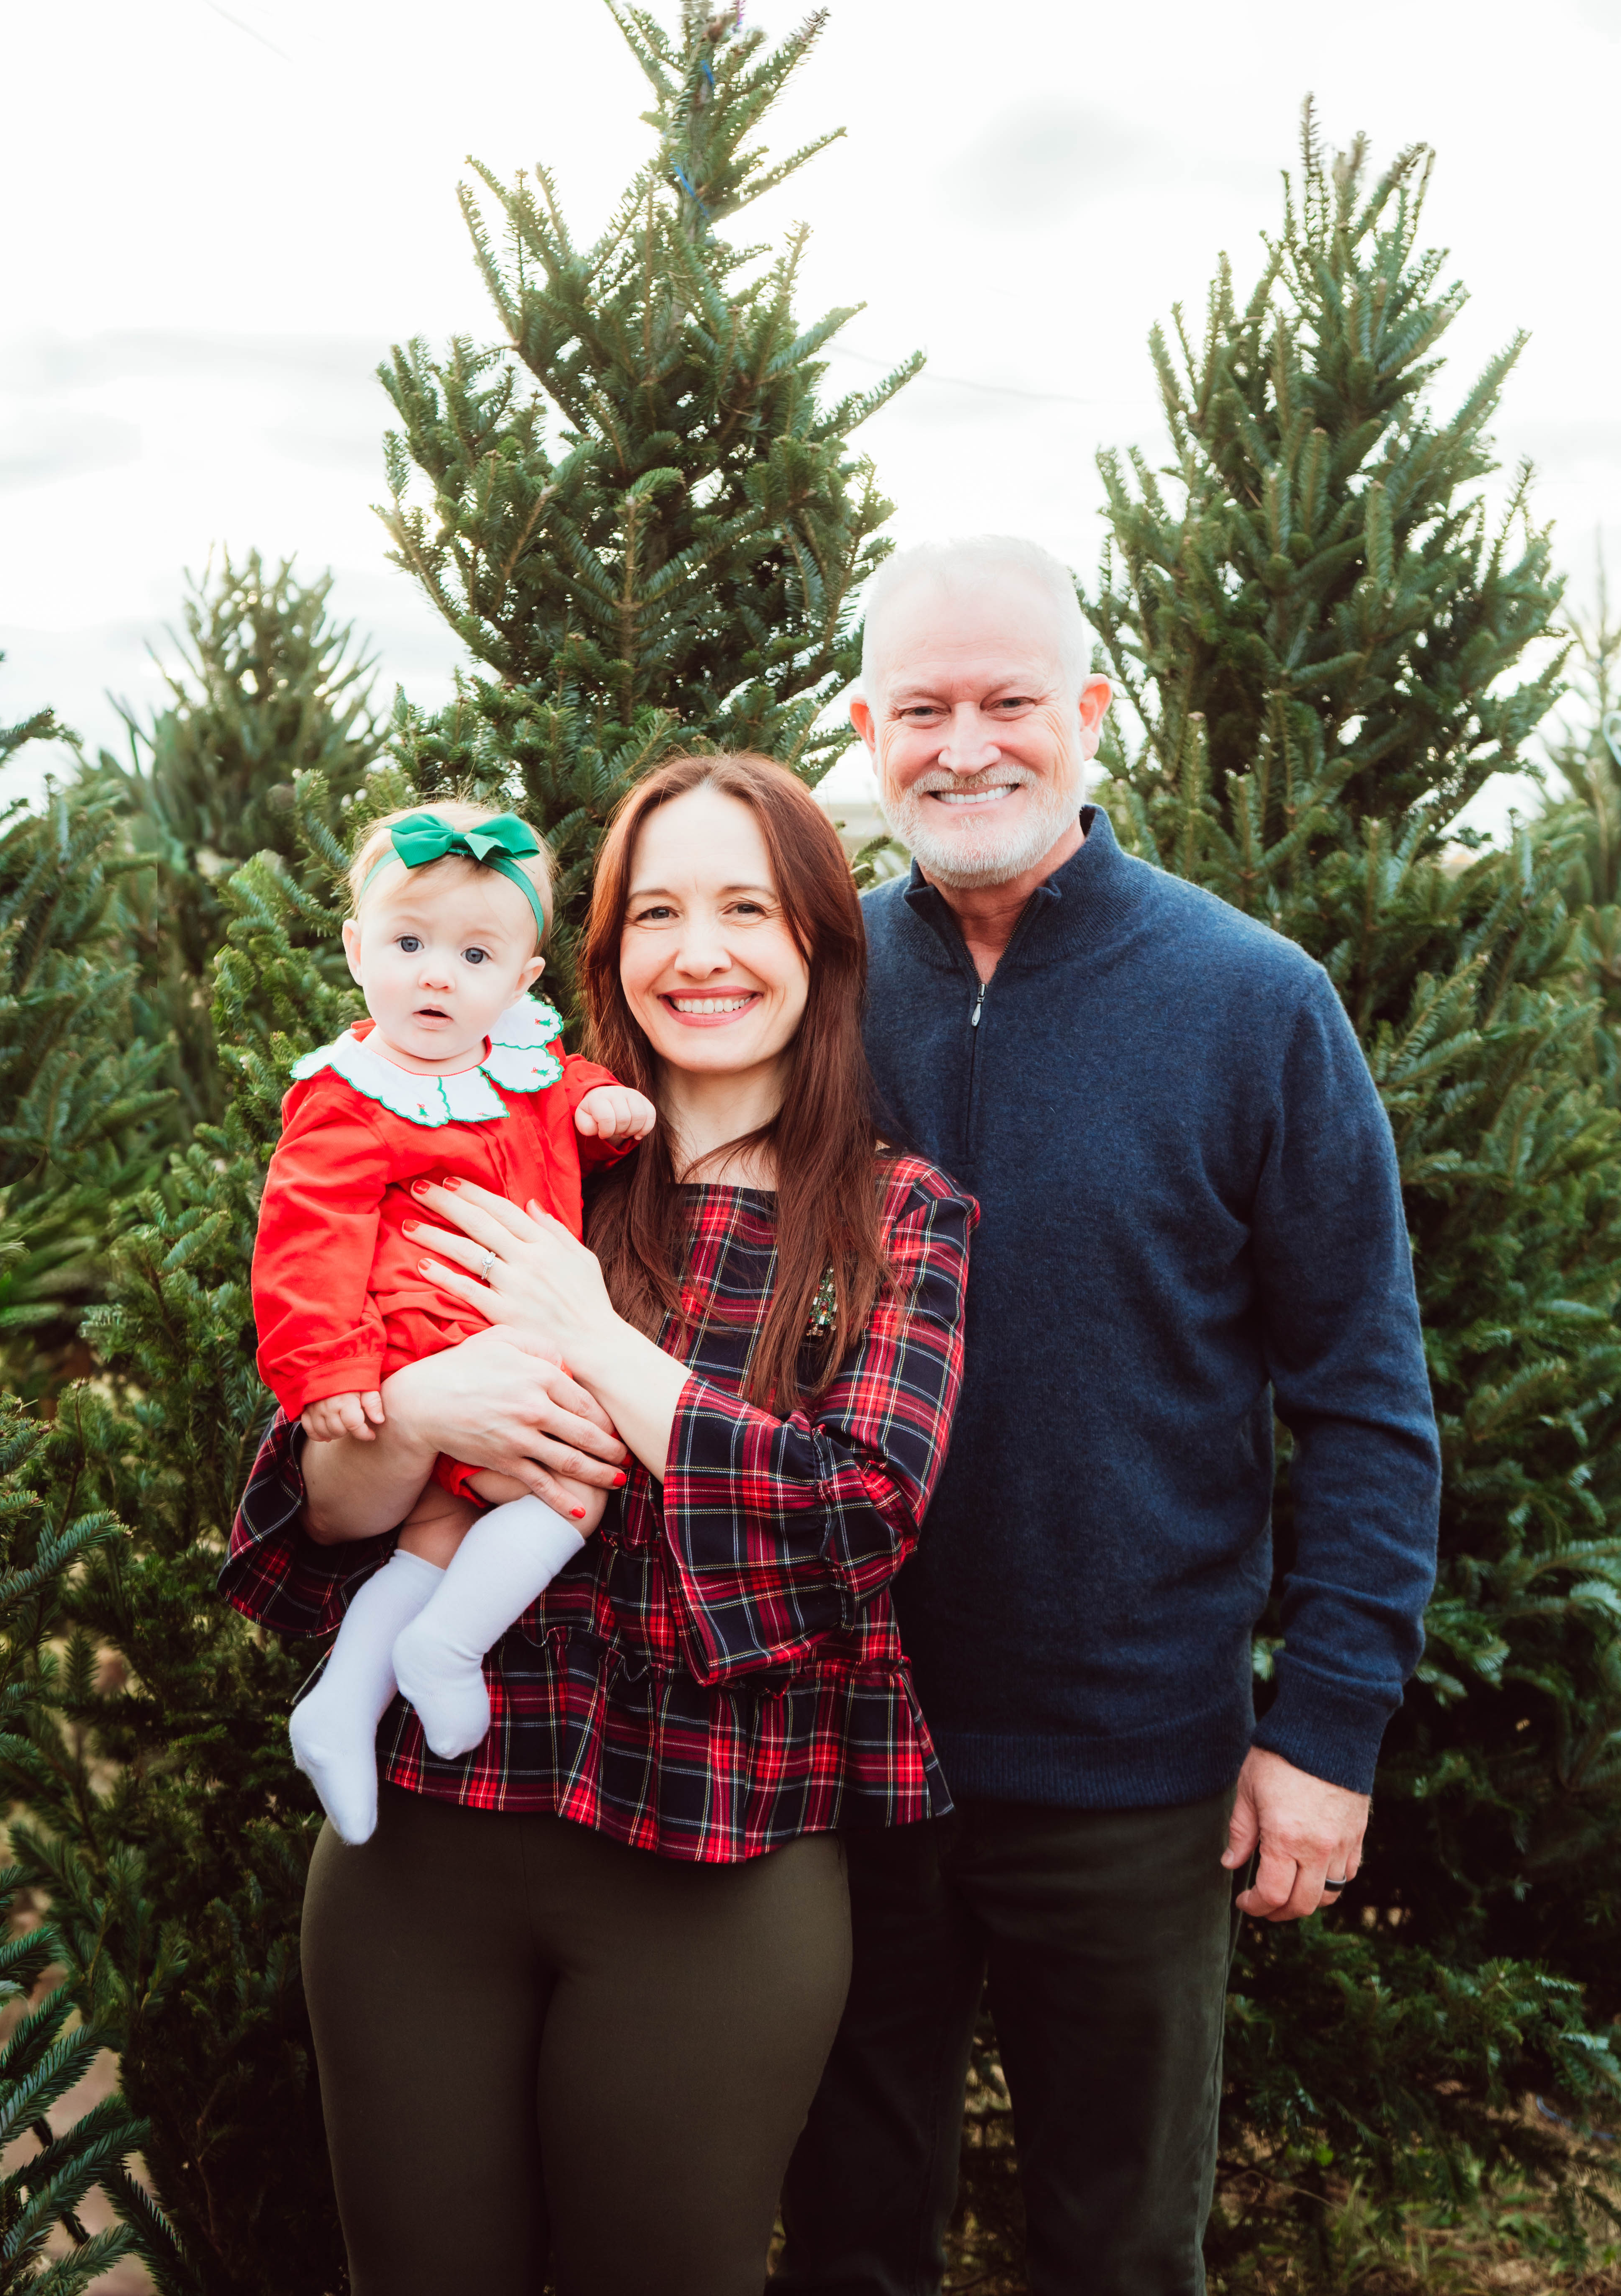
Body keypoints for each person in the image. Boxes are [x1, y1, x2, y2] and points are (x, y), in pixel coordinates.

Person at [776, 538, 1442, 2296]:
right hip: (844, 1755)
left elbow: (1365, 1399)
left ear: (1088, 714)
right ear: (867, 730)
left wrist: (1327, 1732)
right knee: (847, 2236)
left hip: (1131, 1771)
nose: (965, 745)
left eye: (1008, 702)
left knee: (1119, 2248)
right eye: (921, 709)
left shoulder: (1250, 1003)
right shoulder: (814, 993)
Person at [220, 752, 975, 2296]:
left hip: (712, 1864)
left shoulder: (895, 1217)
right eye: (659, 912)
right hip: (420, 1852)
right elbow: (326, 1505)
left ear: (825, 945)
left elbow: (852, 1522)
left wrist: (600, 1344)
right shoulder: (502, 1151)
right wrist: (418, 1416)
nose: (700, 952)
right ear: (610, 949)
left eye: (747, 908)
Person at [251, 799, 654, 1841]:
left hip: (501, 1339)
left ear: (520, 983)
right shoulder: (349, 1097)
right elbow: (306, 1237)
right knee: (575, 1484)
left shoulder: (521, 1069)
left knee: (433, 1538)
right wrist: (329, 1373)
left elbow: (568, 1118)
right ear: (354, 949)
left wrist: (605, 1107)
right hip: (424, 1345)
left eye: (474, 954)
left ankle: (342, 1703)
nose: (437, 974)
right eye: (409, 942)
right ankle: (447, 1648)